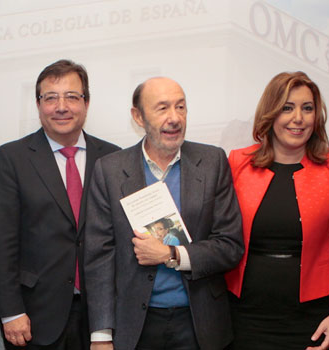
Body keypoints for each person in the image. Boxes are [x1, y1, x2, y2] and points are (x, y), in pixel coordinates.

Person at [85, 77, 244, 350]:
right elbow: (99, 256)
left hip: (198, 323)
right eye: (162, 108)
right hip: (134, 325)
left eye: (181, 107)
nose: (175, 118)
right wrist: (101, 335)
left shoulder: (212, 162)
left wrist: (172, 255)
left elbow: (230, 245)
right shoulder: (109, 170)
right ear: (138, 116)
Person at [0, 59, 120, 349]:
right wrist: (10, 311)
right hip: (34, 315)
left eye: (72, 96)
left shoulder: (112, 158)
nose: (61, 107)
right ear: (38, 104)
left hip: (102, 315)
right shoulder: (10, 159)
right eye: (51, 98)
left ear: (87, 102)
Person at [224, 71, 329, 350]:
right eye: (287, 107)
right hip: (244, 315)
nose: (298, 118)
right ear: (270, 113)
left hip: (310, 318)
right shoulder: (239, 162)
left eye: (307, 108)